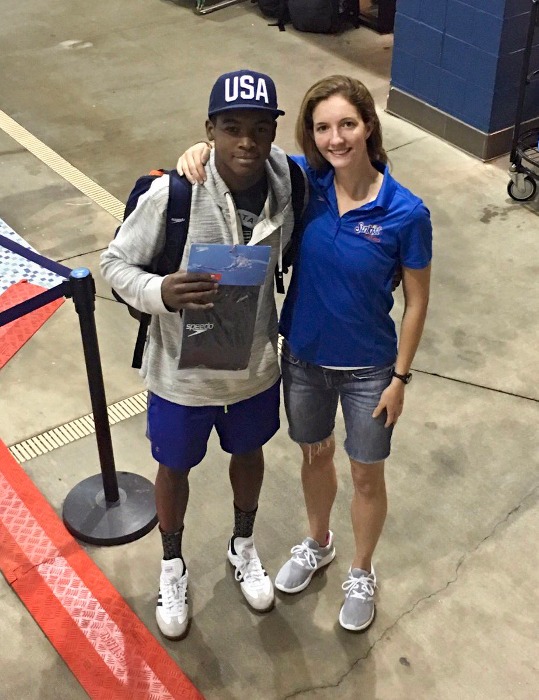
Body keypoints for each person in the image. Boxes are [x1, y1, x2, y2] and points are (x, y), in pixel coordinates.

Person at [177, 74, 432, 633]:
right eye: (322, 128)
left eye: (347, 124)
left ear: (369, 126)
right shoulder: (304, 184)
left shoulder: (406, 212)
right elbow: (244, 154)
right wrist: (198, 150)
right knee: (315, 456)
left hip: (370, 371)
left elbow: (416, 302)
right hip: (304, 361)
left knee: (366, 475)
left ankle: (361, 570)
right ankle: (318, 542)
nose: (335, 139)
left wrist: (401, 379)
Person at [101, 69, 303, 640]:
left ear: (273, 133)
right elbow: (114, 263)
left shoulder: (288, 182)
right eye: (232, 128)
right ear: (209, 129)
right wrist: (160, 291)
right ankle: (172, 565)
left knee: (249, 454)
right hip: (181, 377)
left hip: (253, 370)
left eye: (259, 128)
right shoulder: (174, 195)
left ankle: (243, 545)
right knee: (174, 467)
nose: (246, 142)